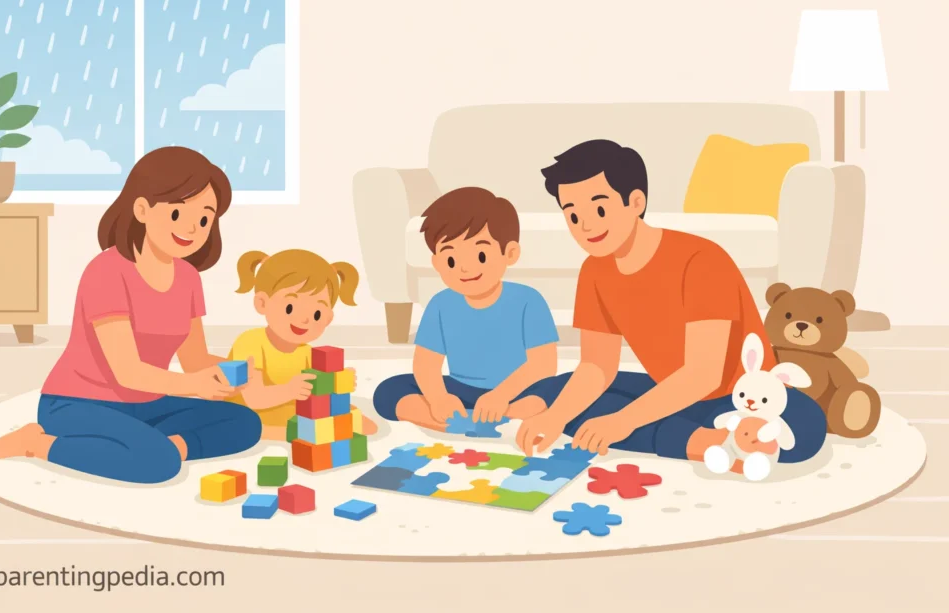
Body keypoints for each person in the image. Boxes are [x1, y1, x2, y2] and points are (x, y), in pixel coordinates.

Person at [515, 140, 827, 471]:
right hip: (670, 392)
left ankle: (705, 441)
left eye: (600, 209)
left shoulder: (702, 260)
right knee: (570, 396)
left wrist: (623, 421)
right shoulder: (594, 271)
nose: (586, 226)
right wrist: (557, 416)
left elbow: (703, 375)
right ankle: (713, 443)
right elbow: (596, 367)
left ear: (635, 202)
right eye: (573, 215)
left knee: (806, 429)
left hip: (740, 400)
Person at [0, 148, 262, 483]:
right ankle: (38, 443)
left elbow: (194, 358)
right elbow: (127, 371)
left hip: (146, 404)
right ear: (142, 209)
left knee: (245, 422)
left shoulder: (187, 278)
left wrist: (238, 373)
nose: (192, 228)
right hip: (78, 403)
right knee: (157, 465)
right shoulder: (107, 271)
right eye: (177, 213)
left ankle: (163, 447)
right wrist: (192, 386)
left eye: (204, 219)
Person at [372, 187, 559, 429]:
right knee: (388, 390)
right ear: (437, 263)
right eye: (451, 259)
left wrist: (500, 396)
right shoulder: (440, 304)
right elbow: (426, 364)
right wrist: (438, 398)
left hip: (517, 391)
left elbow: (543, 365)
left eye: (481, 255)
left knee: (558, 389)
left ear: (510, 253)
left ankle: (505, 416)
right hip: (460, 391)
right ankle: (457, 423)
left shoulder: (528, 300)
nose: (465, 269)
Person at [226, 249, 379, 440]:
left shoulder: (307, 352)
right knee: (247, 424)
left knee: (357, 420)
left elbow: (316, 393)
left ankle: (309, 430)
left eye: (317, 314)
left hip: (288, 410)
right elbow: (254, 398)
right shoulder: (250, 342)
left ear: (328, 318)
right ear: (262, 303)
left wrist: (337, 382)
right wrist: (290, 390)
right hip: (247, 411)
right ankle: (293, 433)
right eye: (290, 307)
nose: (305, 320)